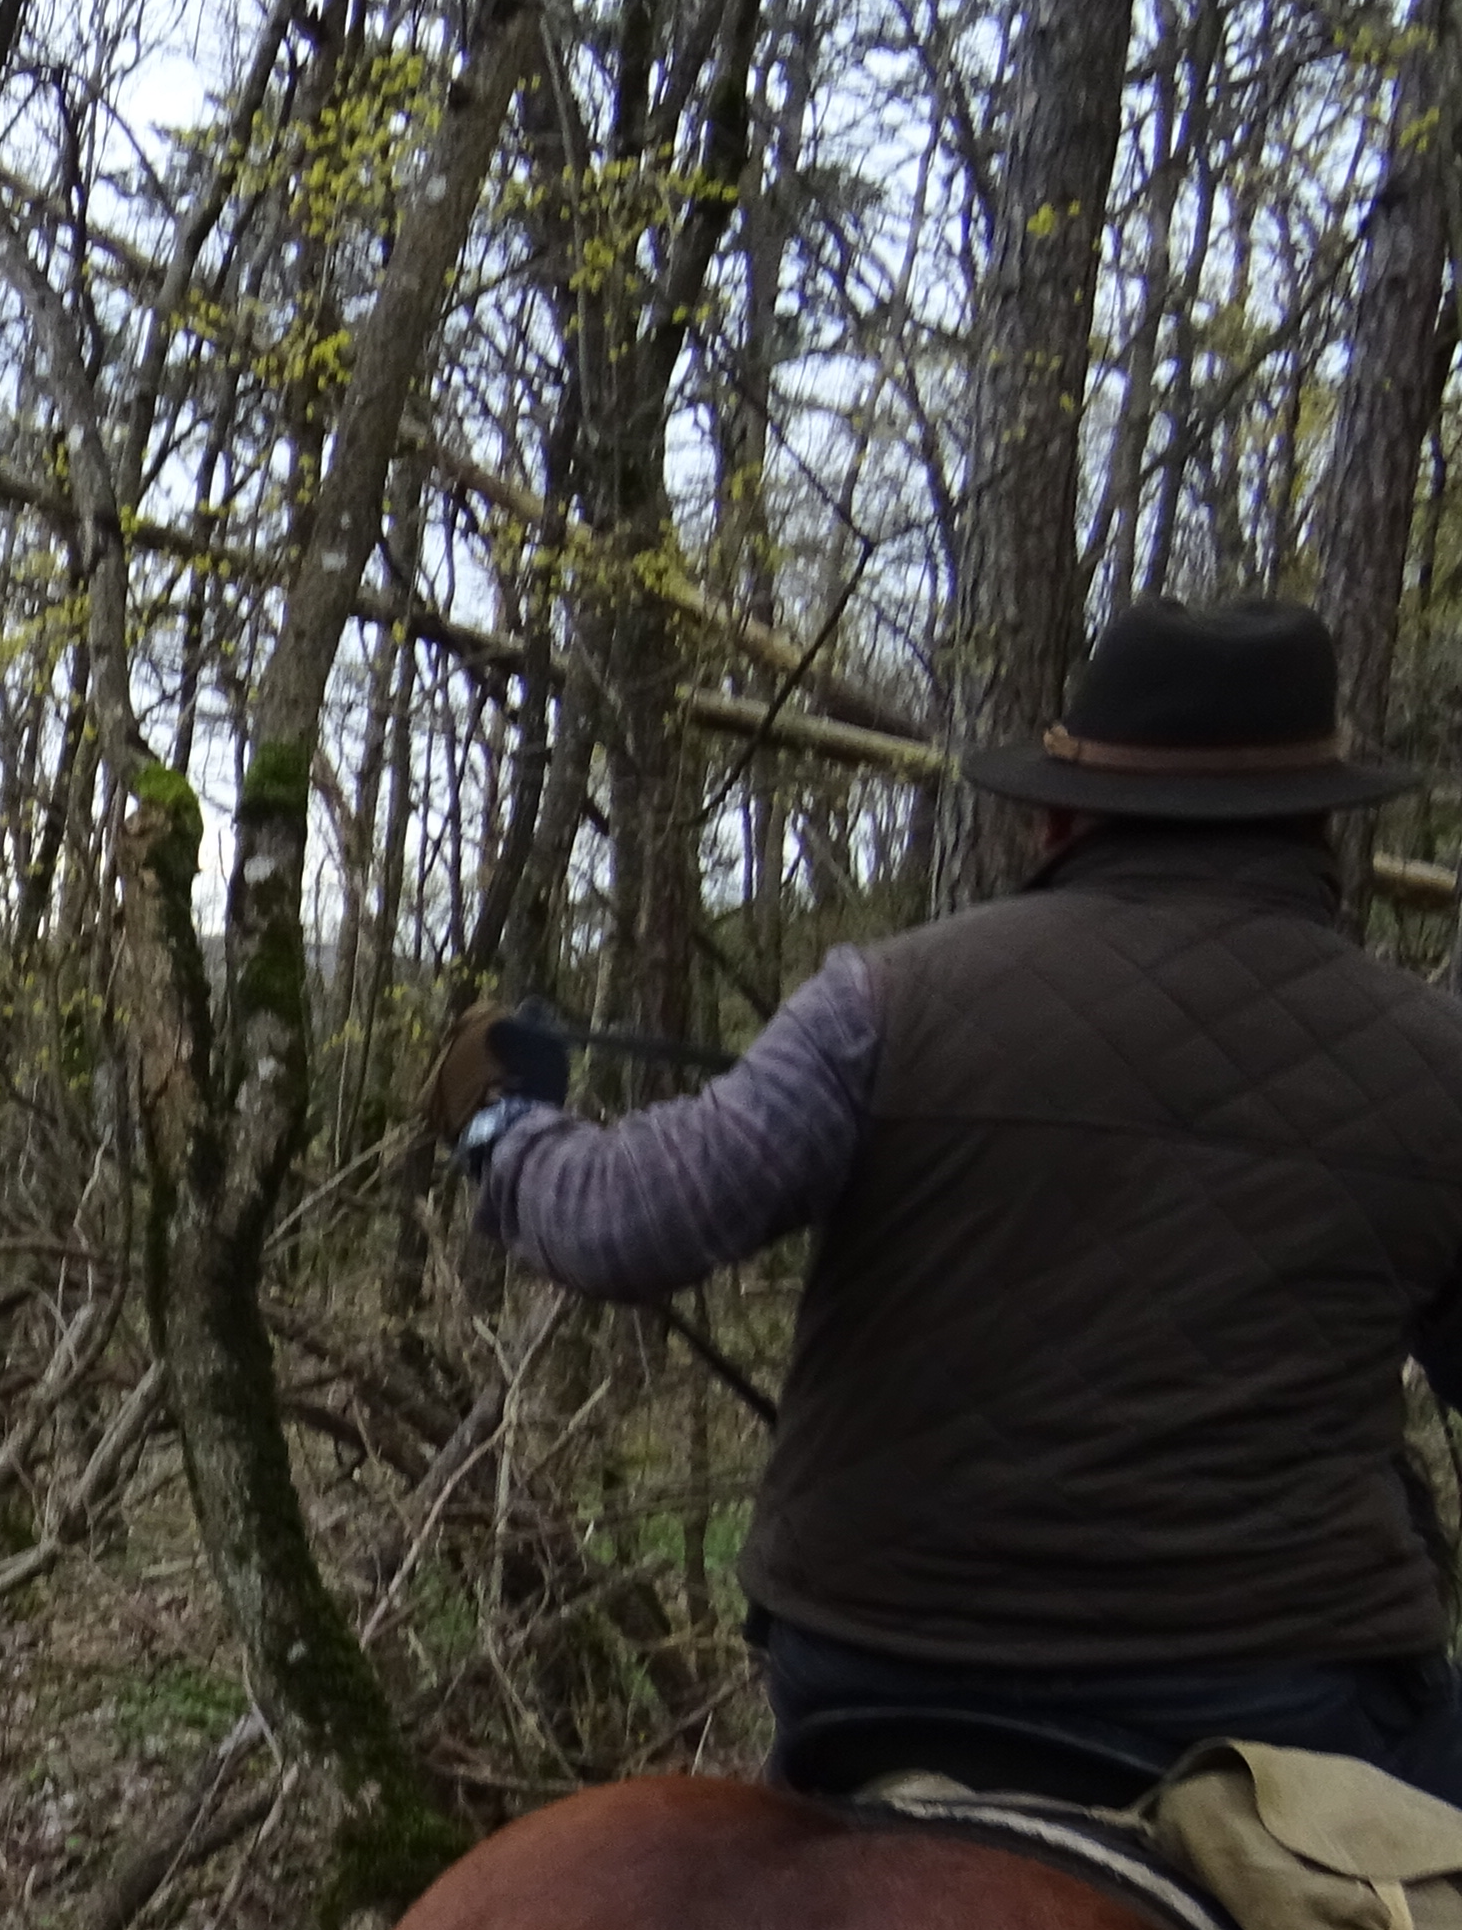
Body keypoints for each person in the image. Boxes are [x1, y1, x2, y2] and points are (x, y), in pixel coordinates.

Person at [423, 593, 1462, 1802]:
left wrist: (499, 1123)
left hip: (875, 1670)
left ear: (1063, 816)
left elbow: (626, 1223)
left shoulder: (885, 1004)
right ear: (1320, 829)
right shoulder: (1440, 1065)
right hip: (1285, 1700)